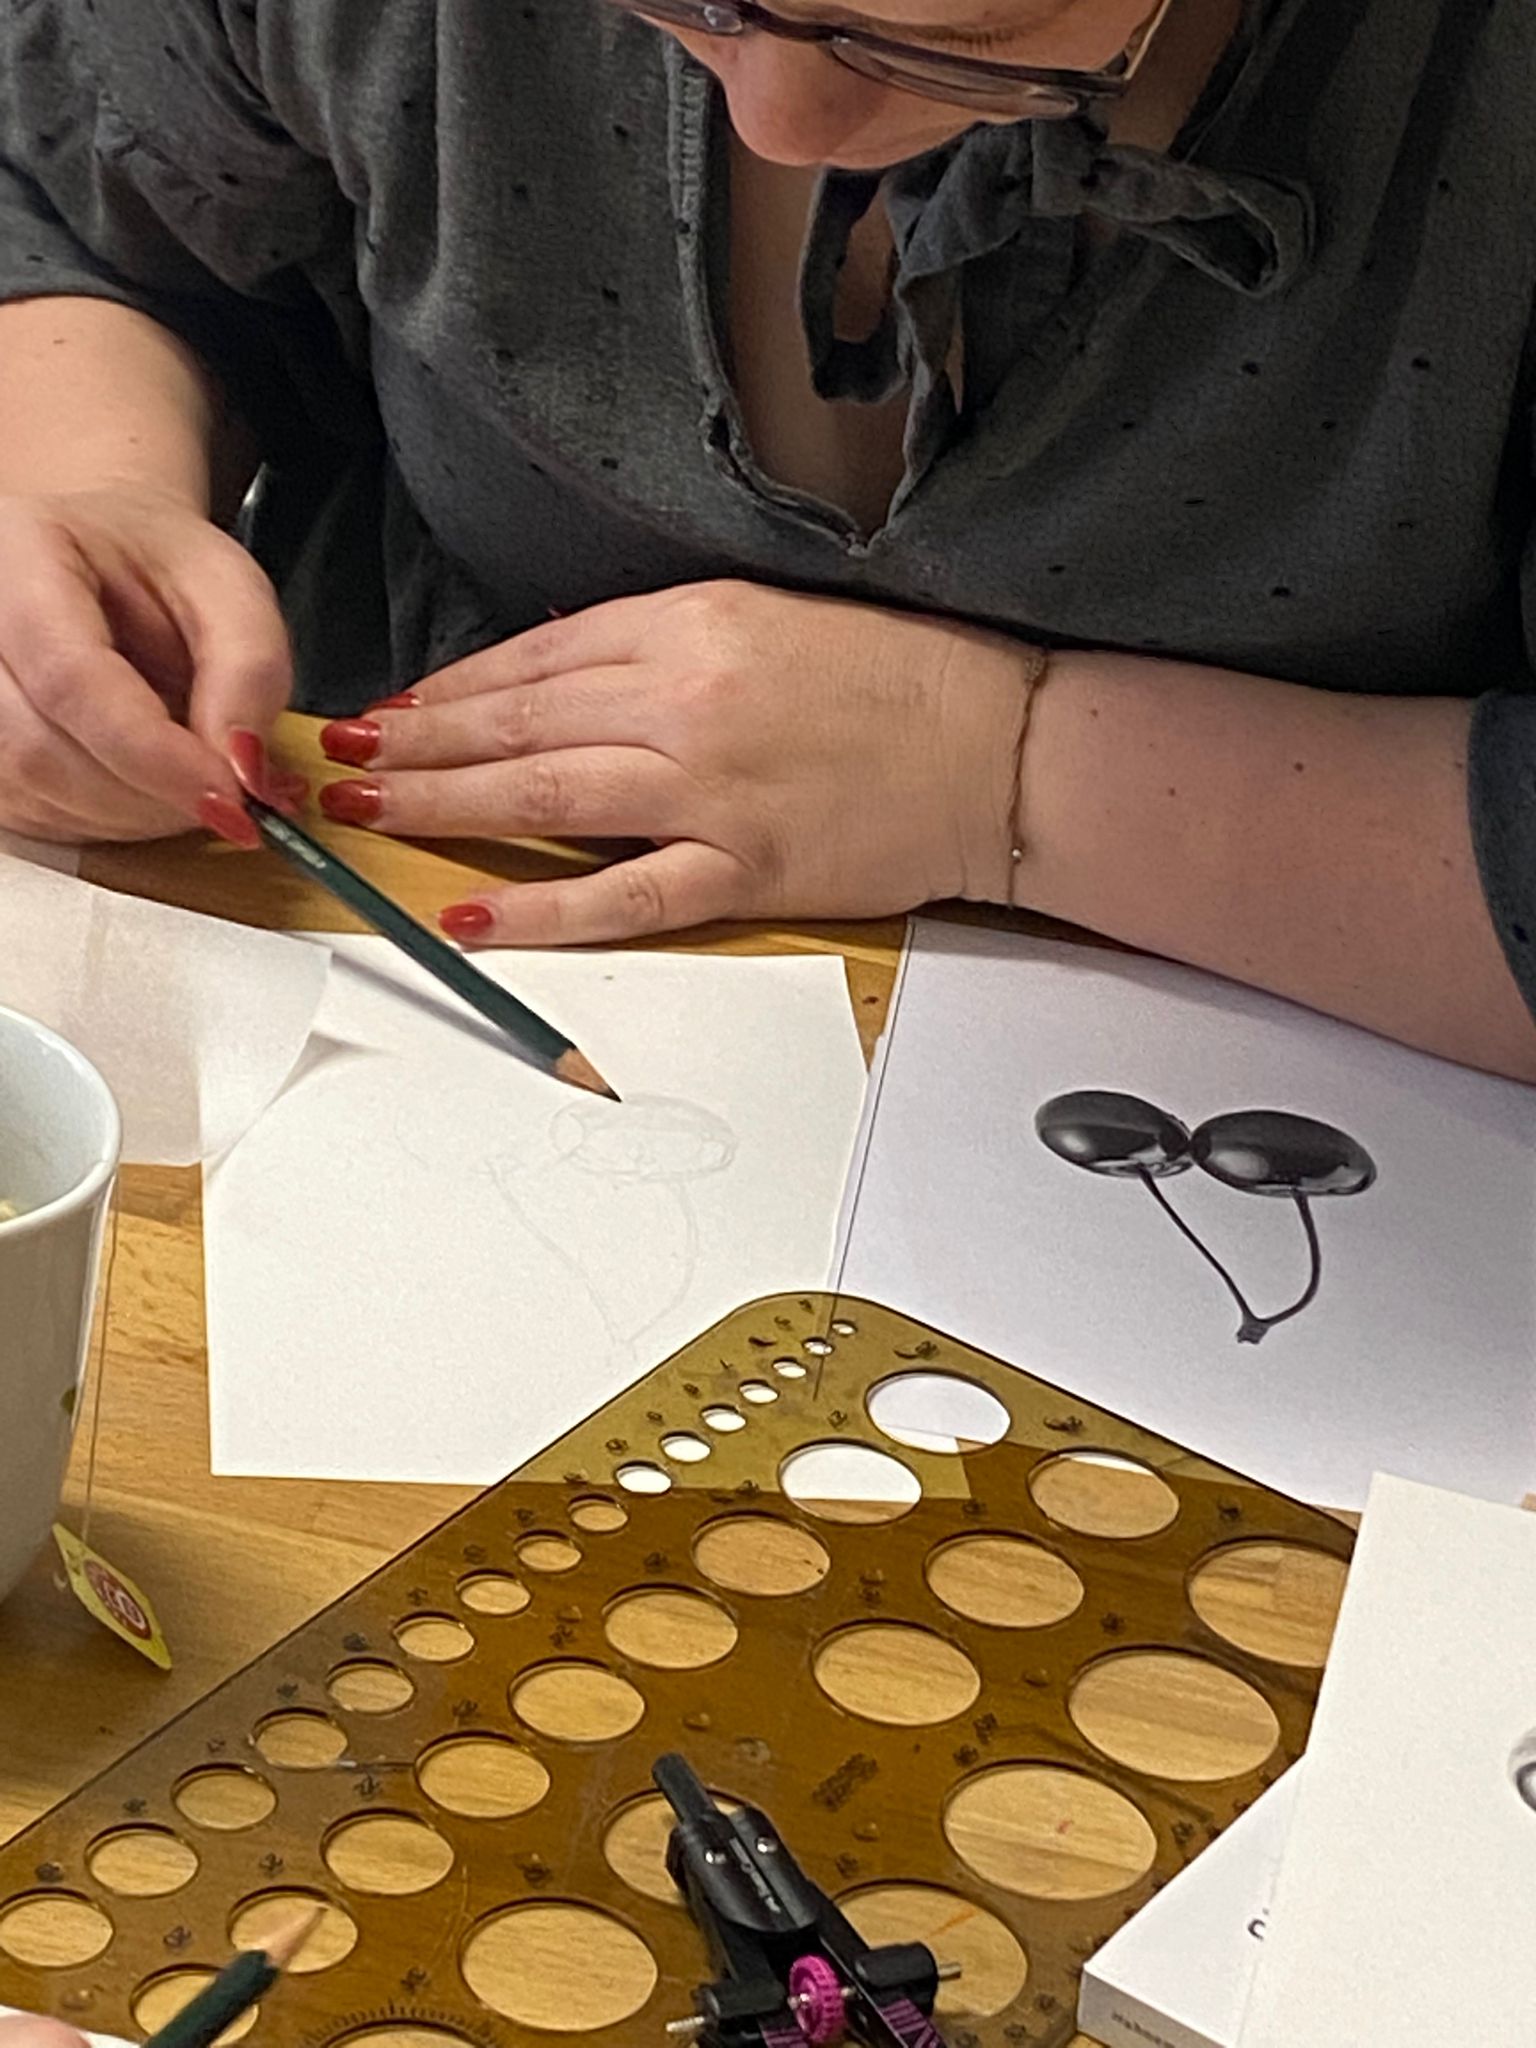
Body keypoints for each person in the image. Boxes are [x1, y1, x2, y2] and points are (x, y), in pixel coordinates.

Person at [1, 0, 1534, 1081]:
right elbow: (83, 207)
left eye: (968, 31)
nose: (778, 122)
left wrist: (1009, 774)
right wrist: (92, 500)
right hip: (367, 973)